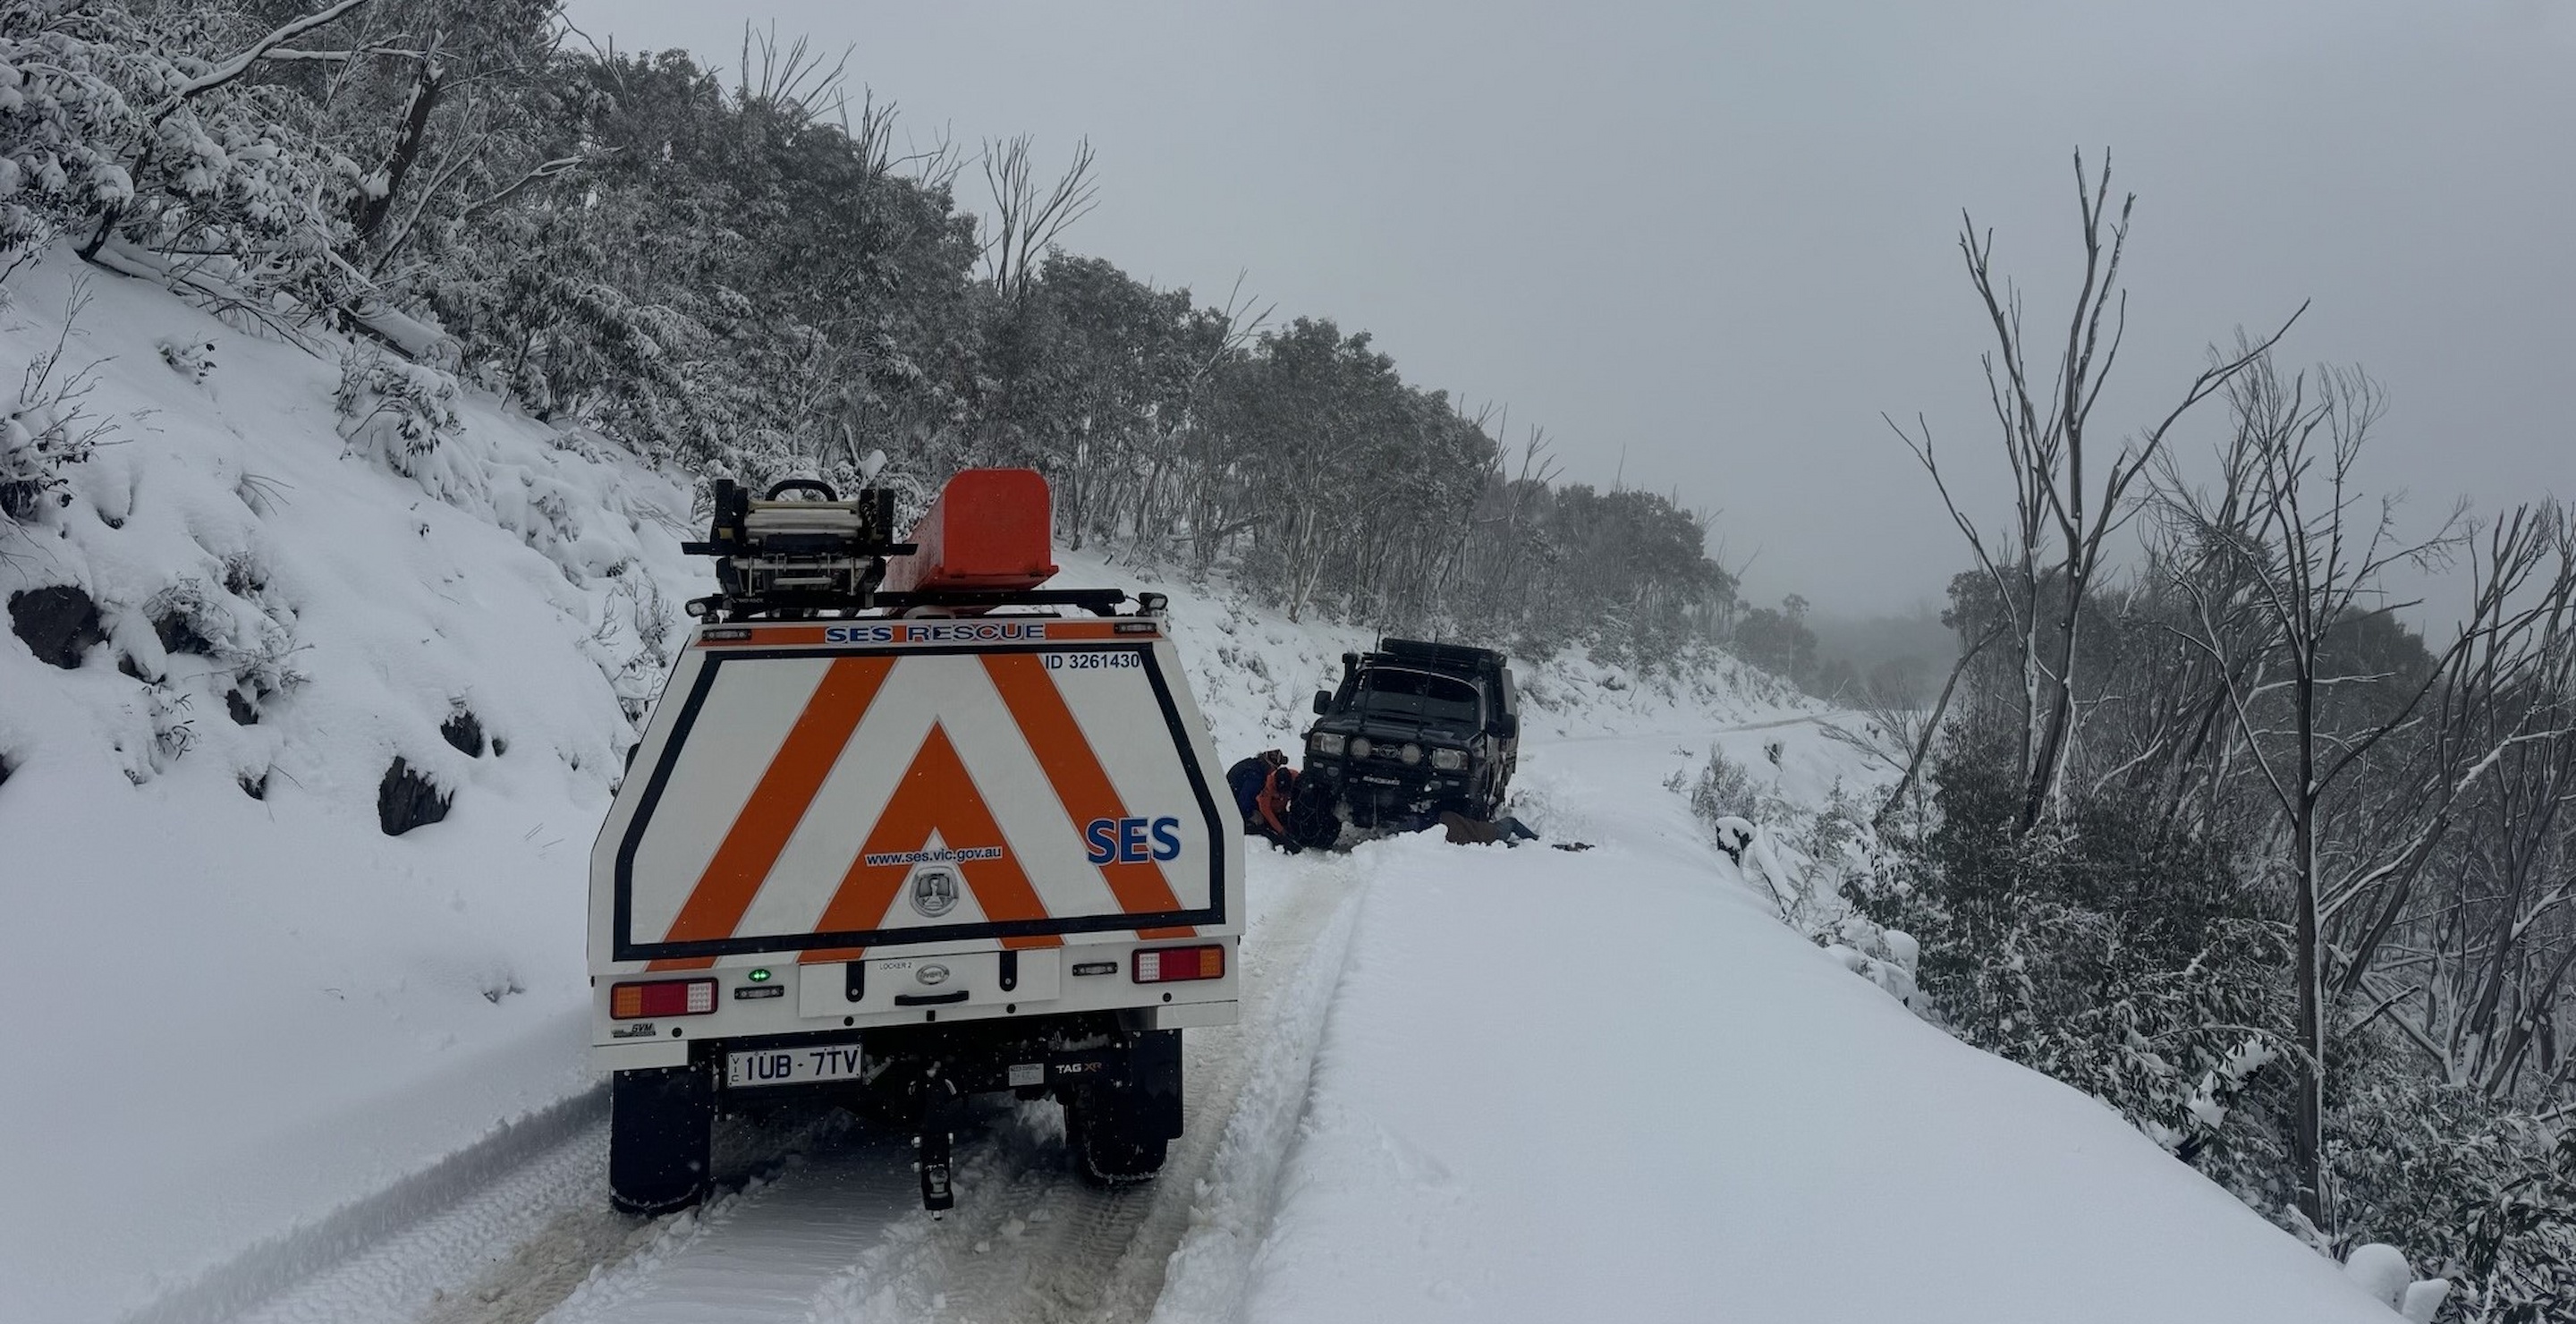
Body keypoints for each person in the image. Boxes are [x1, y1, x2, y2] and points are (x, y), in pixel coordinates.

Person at [1224, 750, 1301, 852]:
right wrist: (1252, 815)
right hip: (1231, 806)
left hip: (1231, 798)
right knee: (1259, 821)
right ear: (1269, 766)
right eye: (1274, 769)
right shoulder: (1255, 778)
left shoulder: (1254, 766)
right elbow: (1245, 802)